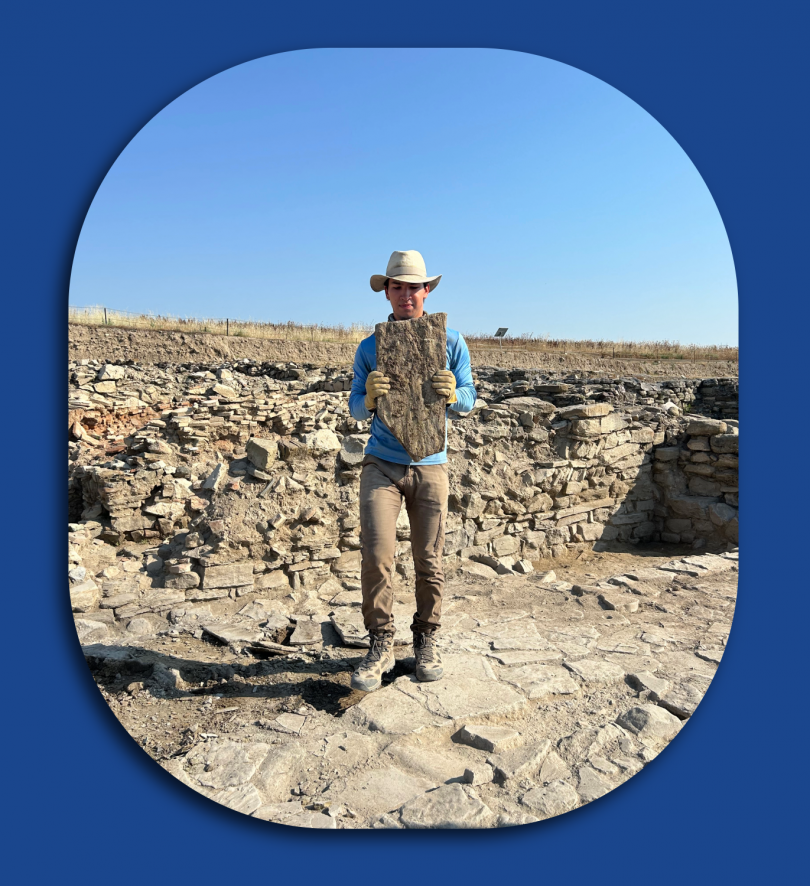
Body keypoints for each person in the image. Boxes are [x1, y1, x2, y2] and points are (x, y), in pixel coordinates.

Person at [348, 250, 476, 692]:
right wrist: (368, 397)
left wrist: (452, 392)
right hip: (381, 463)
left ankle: (426, 638)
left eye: (413, 287)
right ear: (386, 292)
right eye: (396, 286)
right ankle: (381, 642)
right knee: (378, 555)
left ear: (427, 291)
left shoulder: (451, 342)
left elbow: (469, 401)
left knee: (429, 560)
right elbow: (354, 410)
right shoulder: (370, 347)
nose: (405, 294)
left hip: (431, 465)